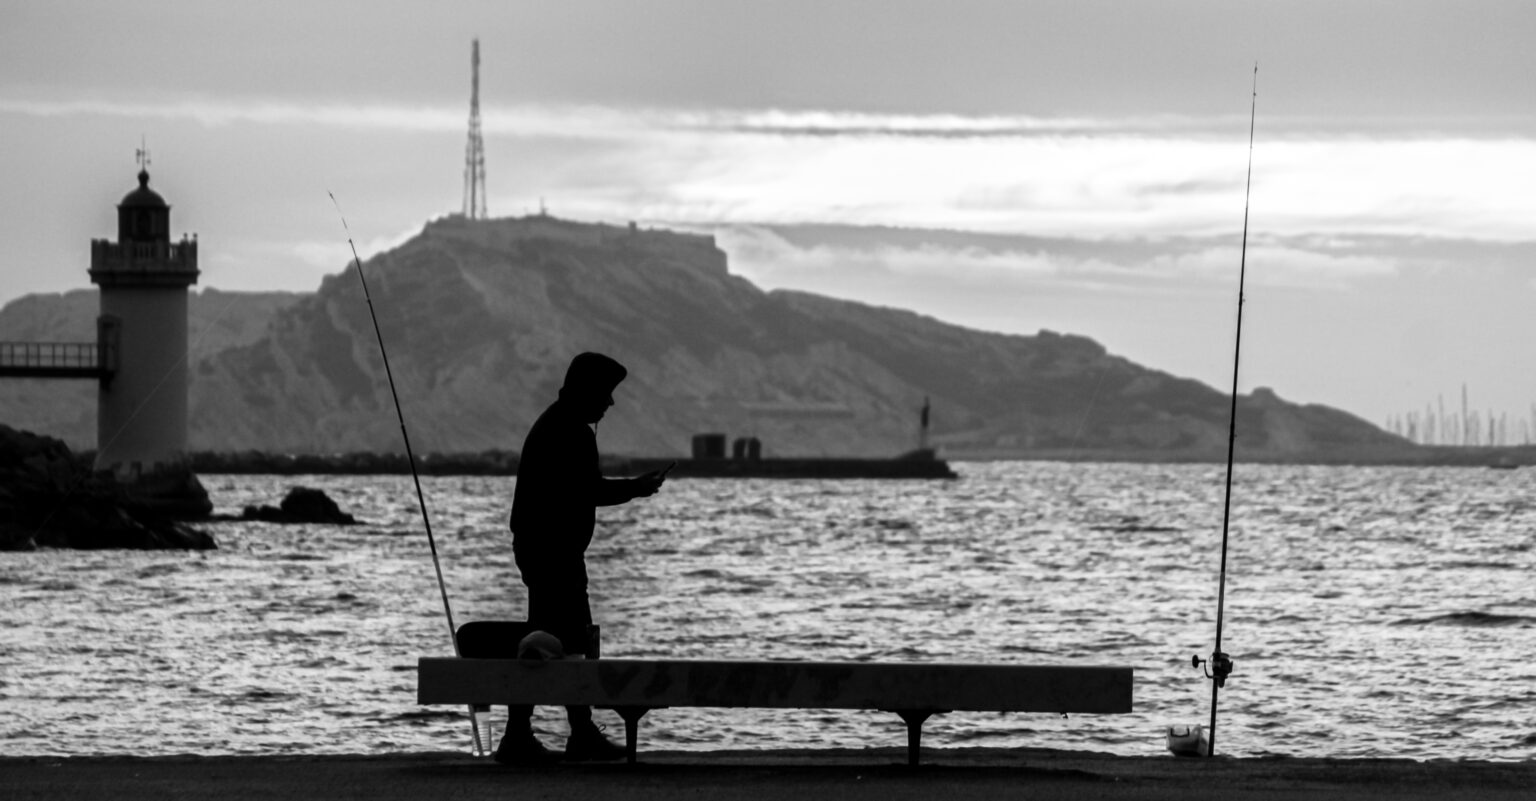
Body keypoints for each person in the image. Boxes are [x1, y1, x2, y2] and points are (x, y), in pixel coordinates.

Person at [498, 352, 667, 764]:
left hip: (545, 551)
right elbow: (589, 490)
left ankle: (550, 733)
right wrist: (637, 488)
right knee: (560, 642)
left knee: (554, 642)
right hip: (553, 555)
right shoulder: (570, 431)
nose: (610, 403)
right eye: (606, 393)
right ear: (588, 391)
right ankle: (539, 736)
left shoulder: (555, 424)